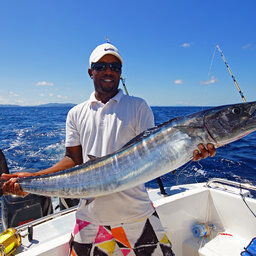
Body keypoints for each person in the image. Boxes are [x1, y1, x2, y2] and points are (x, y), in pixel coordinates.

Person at [2, 42, 216, 255]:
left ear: (120, 74)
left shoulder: (138, 106)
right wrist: (32, 178)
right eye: (101, 66)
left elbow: (157, 154)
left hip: (138, 214)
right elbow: (73, 159)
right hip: (90, 219)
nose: (108, 71)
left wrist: (190, 152)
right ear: (90, 72)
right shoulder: (76, 114)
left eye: (115, 67)